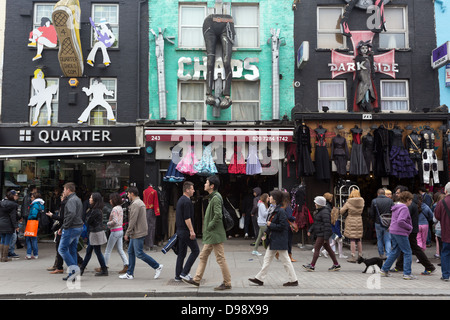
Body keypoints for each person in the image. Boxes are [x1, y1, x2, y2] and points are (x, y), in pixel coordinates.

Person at [183, 175, 232, 290]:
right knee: (203, 255)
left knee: (220, 258)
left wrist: (209, 226)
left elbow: (218, 215)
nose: (204, 184)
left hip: (214, 234)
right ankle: (196, 279)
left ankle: (227, 282)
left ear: (212, 186)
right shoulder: (213, 197)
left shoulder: (215, 198)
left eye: (206, 182)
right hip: (212, 234)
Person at [248, 190, 298, 286]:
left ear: (274, 199)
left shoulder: (280, 211)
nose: (269, 198)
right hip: (275, 240)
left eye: (271, 196)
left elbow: (283, 226)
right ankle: (259, 278)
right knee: (267, 259)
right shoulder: (275, 209)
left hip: (279, 240)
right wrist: (266, 232)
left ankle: (293, 280)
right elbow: (271, 224)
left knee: (286, 261)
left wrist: (271, 225)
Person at [119, 187, 163, 280]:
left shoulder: (136, 204)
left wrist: (127, 233)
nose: (127, 196)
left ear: (131, 194)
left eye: (128, 194)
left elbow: (132, 220)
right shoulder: (139, 202)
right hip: (137, 231)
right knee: (131, 252)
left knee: (139, 253)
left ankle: (157, 266)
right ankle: (129, 273)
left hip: (138, 232)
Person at [392, 189, 436, 275]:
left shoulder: (409, 206)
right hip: (412, 229)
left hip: (410, 230)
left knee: (413, 248)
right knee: (406, 248)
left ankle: (429, 266)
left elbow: (403, 219)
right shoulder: (415, 205)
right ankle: (399, 266)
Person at [380, 191, 416, 280]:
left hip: (393, 231)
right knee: (407, 252)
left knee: (395, 251)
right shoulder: (404, 208)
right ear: (407, 200)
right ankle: (407, 273)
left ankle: (384, 269)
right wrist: (409, 227)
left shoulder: (396, 207)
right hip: (400, 232)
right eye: (411, 200)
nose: (411, 202)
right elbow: (401, 221)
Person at [303, 196, 341, 272]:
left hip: (323, 234)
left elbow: (327, 225)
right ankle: (336, 264)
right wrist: (310, 230)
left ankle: (312, 265)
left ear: (319, 204)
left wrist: (326, 238)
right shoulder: (321, 211)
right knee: (329, 250)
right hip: (322, 233)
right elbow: (316, 223)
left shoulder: (324, 212)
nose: (314, 204)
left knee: (316, 249)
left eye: (316, 203)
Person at [57, 182, 84, 281]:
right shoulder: (77, 199)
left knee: (62, 249)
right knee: (72, 250)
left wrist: (65, 226)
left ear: (68, 190)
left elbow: (71, 214)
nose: (63, 191)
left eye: (64, 189)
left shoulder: (71, 200)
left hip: (71, 228)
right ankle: (73, 274)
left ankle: (74, 270)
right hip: (77, 227)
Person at [175, 181, 200, 282]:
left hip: (180, 231)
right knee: (195, 251)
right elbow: (187, 218)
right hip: (186, 231)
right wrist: (192, 231)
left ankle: (178, 275)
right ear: (187, 190)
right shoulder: (187, 201)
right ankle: (184, 273)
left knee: (181, 253)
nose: (194, 191)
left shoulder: (180, 200)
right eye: (192, 189)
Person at [80, 192, 108, 277]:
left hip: (95, 233)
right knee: (92, 251)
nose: (89, 199)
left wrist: (87, 215)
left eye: (91, 198)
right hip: (95, 232)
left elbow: (88, 221)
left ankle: (82, 269)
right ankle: (103, 269)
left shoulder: (95, 210)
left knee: (94, 252)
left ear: (95, 200)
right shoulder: (96, 209)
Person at [102, 192, 128, 274]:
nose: (109, 201)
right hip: (120, 230)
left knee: (108, 250)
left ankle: (104, 266)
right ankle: (126, 264)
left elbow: (114, 221)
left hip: (115, 231)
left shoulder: (114, 209)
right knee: (120, 249)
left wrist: (107, 223)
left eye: (110, 199)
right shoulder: (120, 208)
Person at [340, 189, 365, 262]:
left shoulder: (349, 202)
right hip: (359, 219)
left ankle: (353, 256)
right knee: (358, 239)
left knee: (352, 239)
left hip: (351, 219)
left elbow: (342, 211)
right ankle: (360, 256)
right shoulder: (362, 201)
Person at [369, 188, 393, 259]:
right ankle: (388, 255)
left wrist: (373, 220)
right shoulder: (390, 201)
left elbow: (372, 213)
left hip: (378, 222)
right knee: (388, 239)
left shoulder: (374, 201)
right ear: (384, 193)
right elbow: (393, 211)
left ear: (378, 194)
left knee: (379, 239)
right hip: (388, 223)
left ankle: (381, 254)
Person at [433, 182, 450, 281]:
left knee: (445, 253)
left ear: (445, 190)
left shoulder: (441, 202)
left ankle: (446, 275)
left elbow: (437, 216)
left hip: (446, 233)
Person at [325, 192, 347, 259]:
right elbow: (337, 228)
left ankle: (325, 251)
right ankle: (340, 254)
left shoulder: (332, 220)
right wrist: (340, 235)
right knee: (339, 243)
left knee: (333, 243)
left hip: (333, 233)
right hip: (337, 234)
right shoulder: (337, 220)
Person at [0, 191, 19, 262]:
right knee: (7, 240)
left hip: (1, 223)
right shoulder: (13, 205)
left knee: (2, 240)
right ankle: (5, 257)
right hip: (8, 224)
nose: (16, 196)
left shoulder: (1, 203)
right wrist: (16, 226)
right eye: (16, 195)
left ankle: (1, 257)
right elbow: (13, 217)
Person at [25, 192, 44, 260]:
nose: (31, 198)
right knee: (34, 239)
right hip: (37, 223)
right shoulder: (41, 204)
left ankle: (29, 254)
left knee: (29, 239)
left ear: (35, 198)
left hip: (32, 223)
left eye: (32, 197)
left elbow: (33, 215)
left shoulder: (35, 205)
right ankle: (35, 254)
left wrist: (28, 217)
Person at [282, 191, 297, 262]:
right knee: (289, 241)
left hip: (283, 224)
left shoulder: (281, 205)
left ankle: (279, 253)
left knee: (285, 240)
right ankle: (289, 256)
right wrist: (294, 218)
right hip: (288, 225)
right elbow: (289, 216)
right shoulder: (288, 205)